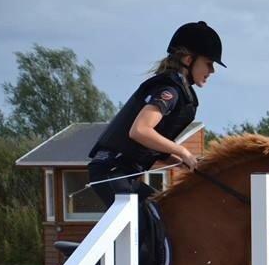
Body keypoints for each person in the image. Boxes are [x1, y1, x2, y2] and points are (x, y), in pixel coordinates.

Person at [88, 21, 224, 207]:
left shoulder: (176, 90)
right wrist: (182, 151)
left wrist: (178, 161)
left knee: (166, 212)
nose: (212, 70)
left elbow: (150, 145)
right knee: (152, 219)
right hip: (111, 172)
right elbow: (140, 131)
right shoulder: (169, 91)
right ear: (188, 60)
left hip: (120, 173)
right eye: (208, 63)